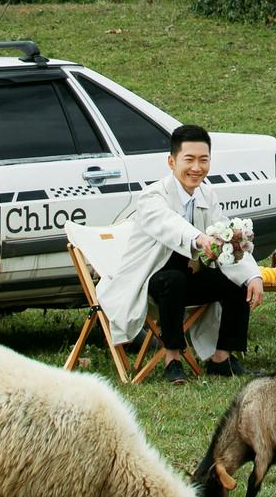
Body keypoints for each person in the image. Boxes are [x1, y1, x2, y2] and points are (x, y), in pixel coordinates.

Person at [94, 122, 263, 382]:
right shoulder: (152, 196)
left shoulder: (207, 194)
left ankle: (222, 358)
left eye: (203, 160)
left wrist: (253, 275)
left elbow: (226, 234)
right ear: (171, 162)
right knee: (173, 280)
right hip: (150, 279)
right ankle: (172, 359)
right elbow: (169, 224)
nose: (197, 167)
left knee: (236, 283)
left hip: (189, 277)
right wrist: (199, 238)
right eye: (189, 159)